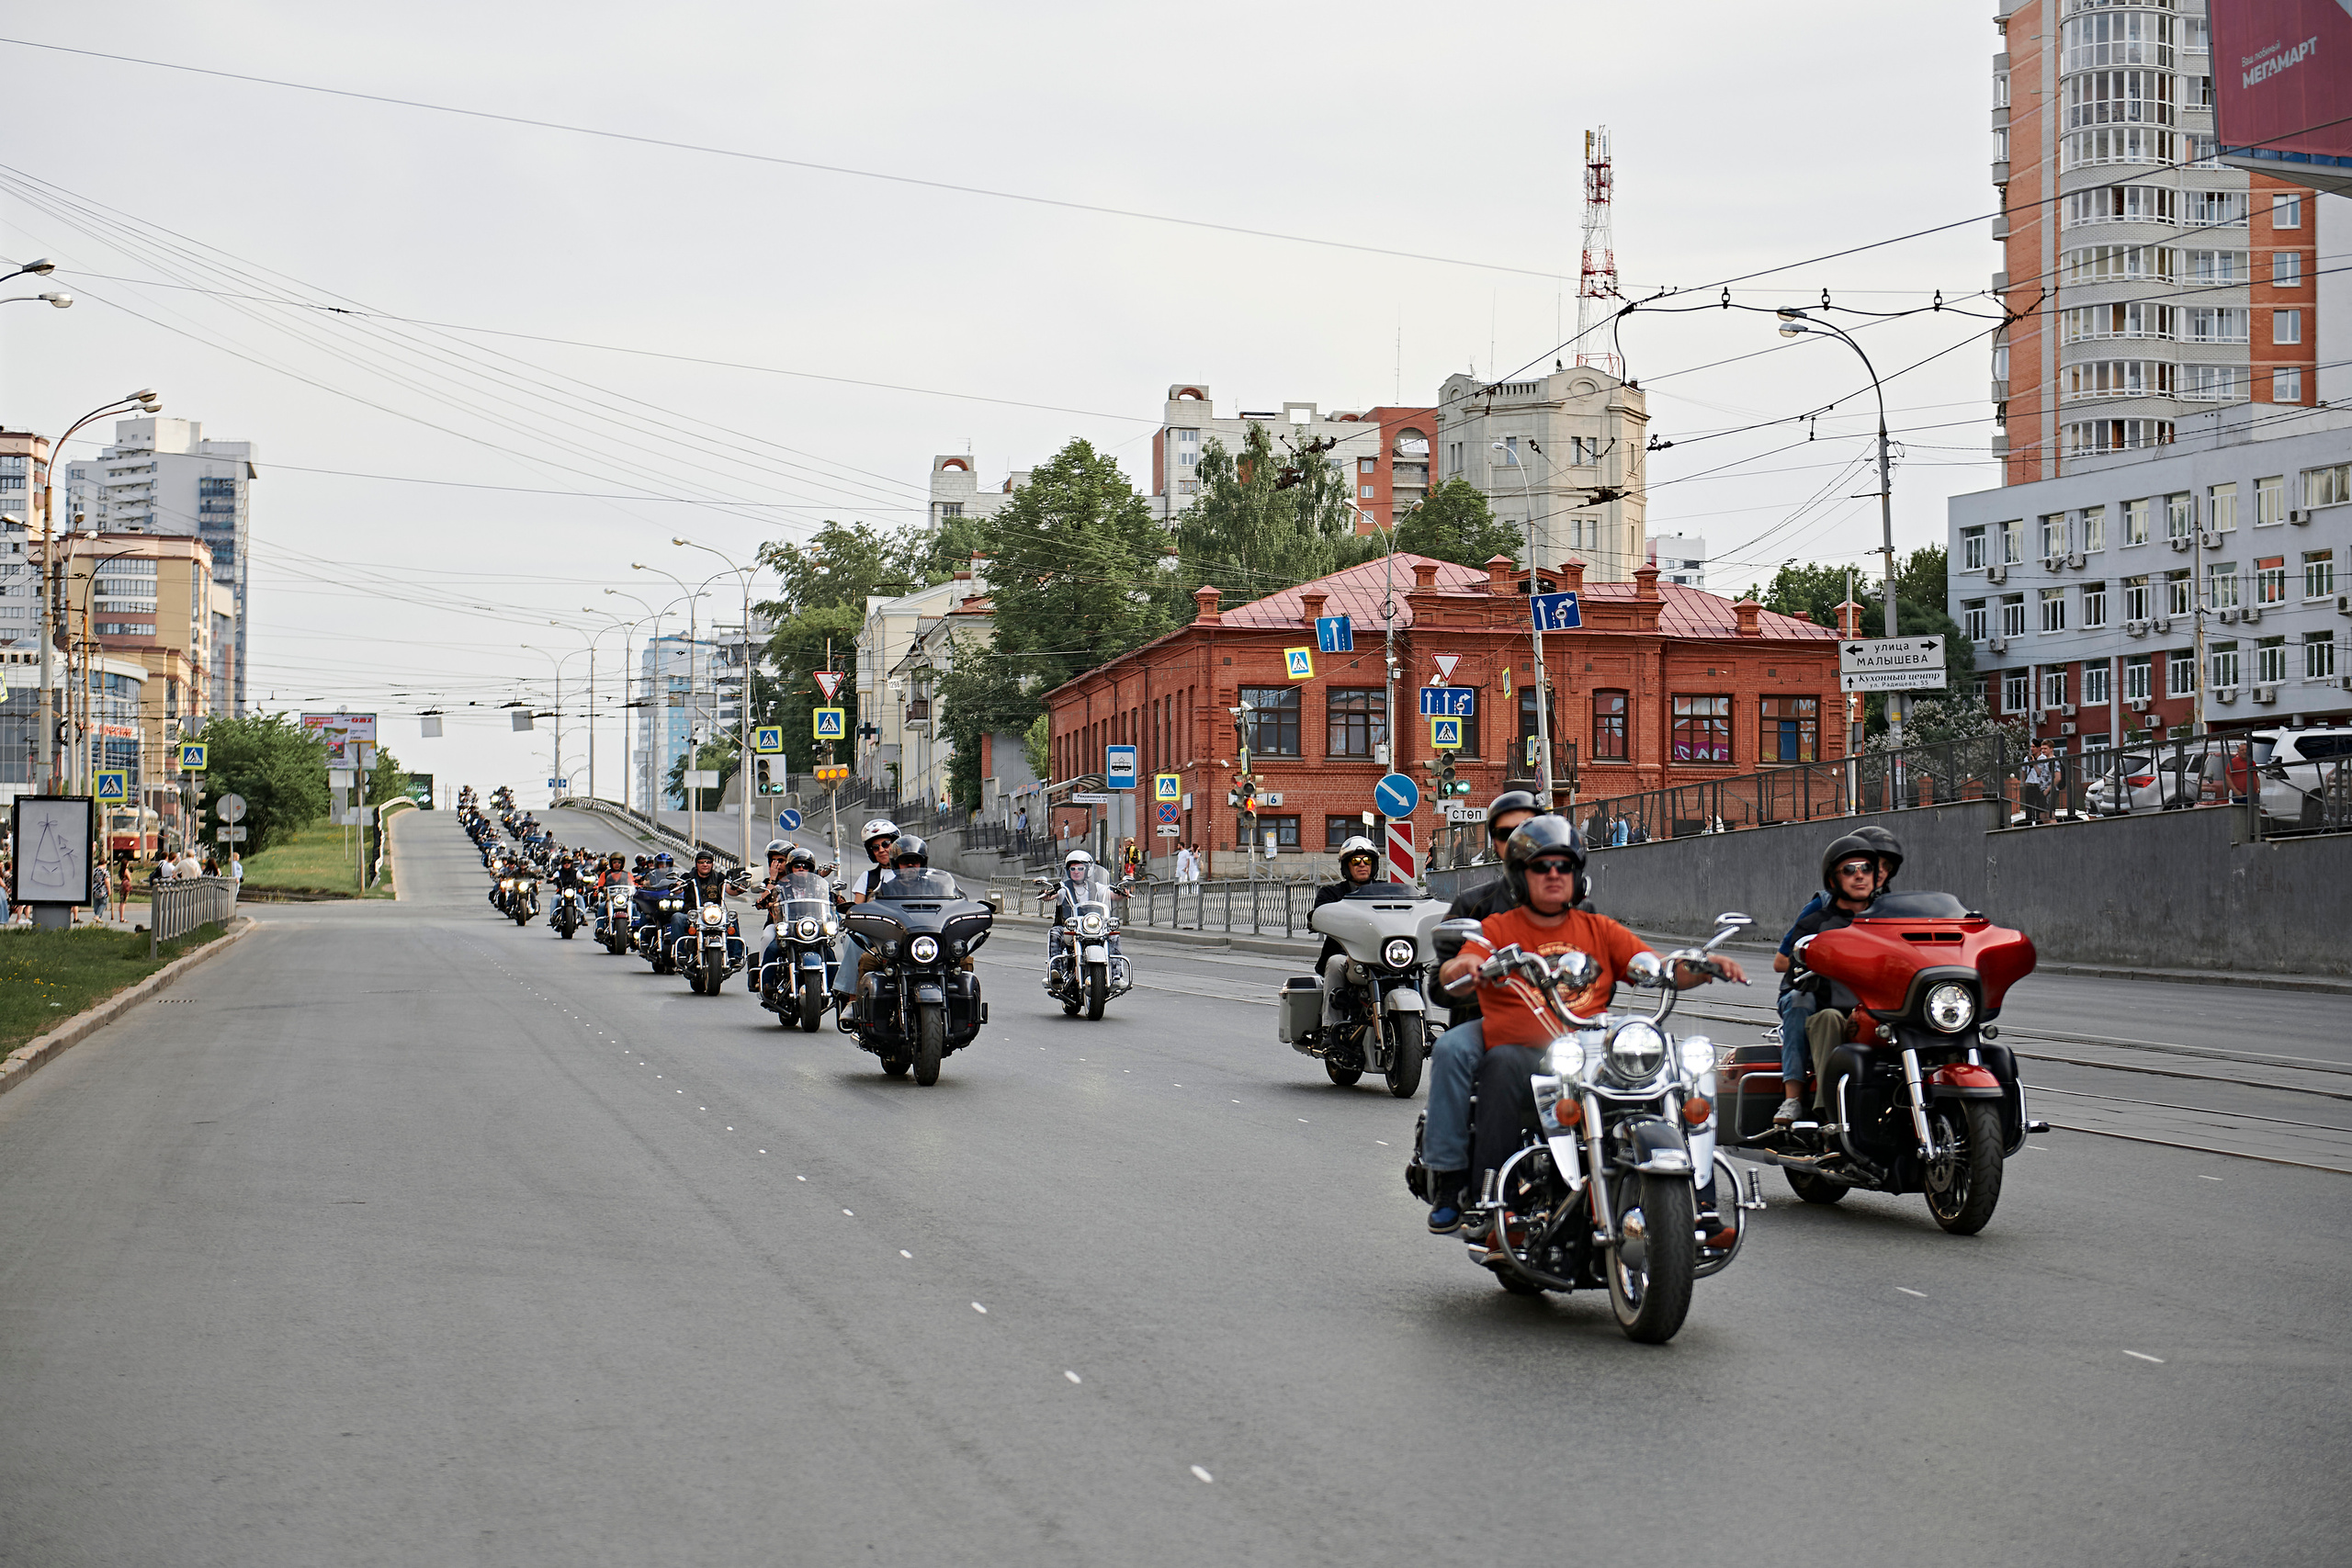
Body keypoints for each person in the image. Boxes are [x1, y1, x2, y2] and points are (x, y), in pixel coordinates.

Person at [1422, 815, 1747, 1235]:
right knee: (1499, 1065)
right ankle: (1493, 1202)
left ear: (1577, 875)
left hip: (1591, 1049)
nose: (1554, 874)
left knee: (1679, 1071)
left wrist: (1702, 967)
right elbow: (1463, 962)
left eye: (1564, 866)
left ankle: (1699, 1205)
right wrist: (1465, 964)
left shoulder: (1599, 927)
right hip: (1524, 1048)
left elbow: (1653, 966)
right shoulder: (1498, 927)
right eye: (1542, 866)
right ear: (1522, 876)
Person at [1417, 791, 1544, 1227]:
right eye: (1506, 834)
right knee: (1451, 1049)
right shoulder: (1474, 904)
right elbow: (1439, 984)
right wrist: (1470, 976)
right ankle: (1450, 1178)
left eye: (1528, 830)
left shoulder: (1572, 898)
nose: (1518, 842)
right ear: (1494, 842)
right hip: (1491, 1029)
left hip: (1561, 1033)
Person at [1791, 830, 1901, 1122]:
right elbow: (1793, 973)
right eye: (1850, 870)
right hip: (1840, 1013)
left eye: (1867, 868)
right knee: (1825, 1018)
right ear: (1834, 880)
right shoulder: (1817, 922)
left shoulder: (1893, 919)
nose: (1860, 876)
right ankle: (1830, 1117)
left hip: (1886, 1011)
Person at [1311, 836, 1384, 1032]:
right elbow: (1318, 914)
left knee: (1415, 969)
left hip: (1383, 956)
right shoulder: (1331, 894)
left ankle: (1424, 1026)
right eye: (1355, 861)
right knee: (1334, 962)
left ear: (1374, 864)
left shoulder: (1387, 891)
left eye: (1367, 860)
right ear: (1346, 866)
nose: (1362, 865)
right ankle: (1331, 1027)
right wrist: (1317, 918)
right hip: (1348, 957)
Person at [831, 818, 902, 1005]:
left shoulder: (911, 873)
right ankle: (852, 999)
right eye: (876, 847)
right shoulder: (867, 877)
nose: (882, 850)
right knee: (854, 938)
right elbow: (856, 912)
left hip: (906, 930)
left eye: (886, 844)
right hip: (875, 932)